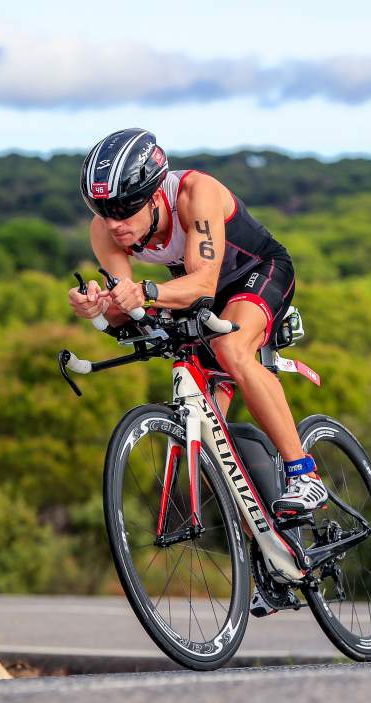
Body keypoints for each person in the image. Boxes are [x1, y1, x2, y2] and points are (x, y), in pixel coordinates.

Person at [67, 128, 328, 514]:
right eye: (102, 211)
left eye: (123, 209)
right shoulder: (104, 230)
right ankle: (260, 537)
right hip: (192, 293)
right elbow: (126, 305)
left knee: (231, 349)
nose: (113, 223)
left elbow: (203, 282)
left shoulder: (194, 193)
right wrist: (99, 307)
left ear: (155, 195)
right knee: (208, 435)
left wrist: (146, 292)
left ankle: (304, 474)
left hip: (258, 271)